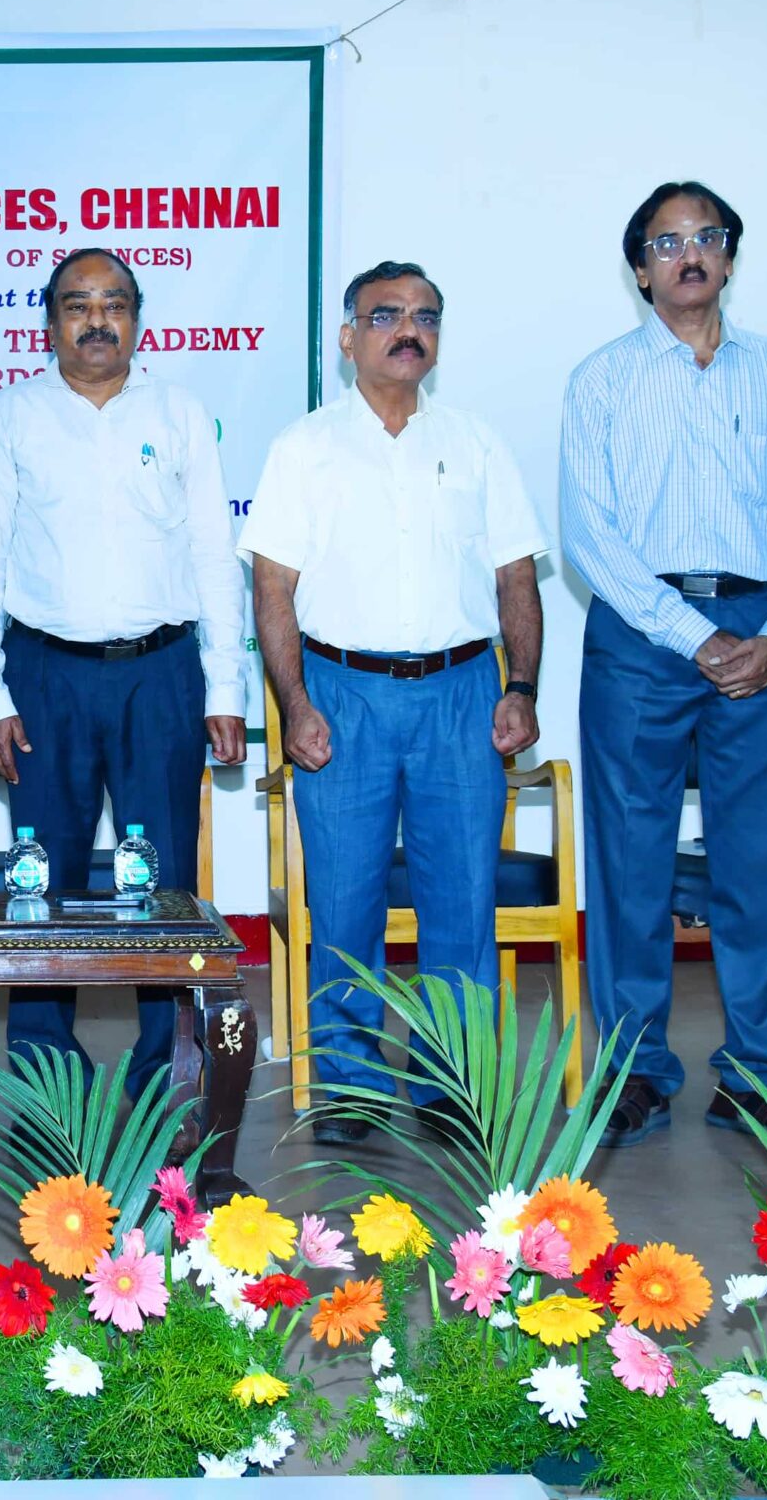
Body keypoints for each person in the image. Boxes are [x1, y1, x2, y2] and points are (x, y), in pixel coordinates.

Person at [561, 181, 767, 1149]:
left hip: (766, 627)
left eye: (706, 237)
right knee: (629, 864)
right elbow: (589, 536)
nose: (688, 254)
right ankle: (632, 1075)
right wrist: (692, 634)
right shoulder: (601, 380)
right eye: (666, 242)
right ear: (640, 270)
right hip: (641, 634)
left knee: (759, 864)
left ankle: (759, 1077)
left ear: (727, 256)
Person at [243, 262, 545, 1145]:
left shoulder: (476, 442)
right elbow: (273, 587)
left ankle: (456, 1084)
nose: (408, 330)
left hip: (462, 694)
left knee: (464, 901)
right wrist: (294, 703)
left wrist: (520, 685)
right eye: (386, 315)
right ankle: (351, 1086)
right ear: (348, 337)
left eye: (425, 316)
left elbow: (516, 577)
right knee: (344, 904)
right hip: (343, 695)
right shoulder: (303, 448)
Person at [0, 247, 248, 1097]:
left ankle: (167, 1069)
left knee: (163, 878)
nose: (96, 320)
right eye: (77, 304)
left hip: (160, 674)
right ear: (50, 322)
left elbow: (212, 555)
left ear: (136, 318)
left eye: (113, 303)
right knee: (41, 878)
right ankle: (48, 1073)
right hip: (45, 676)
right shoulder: (12, 415)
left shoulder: (180, 412)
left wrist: (225, 686)